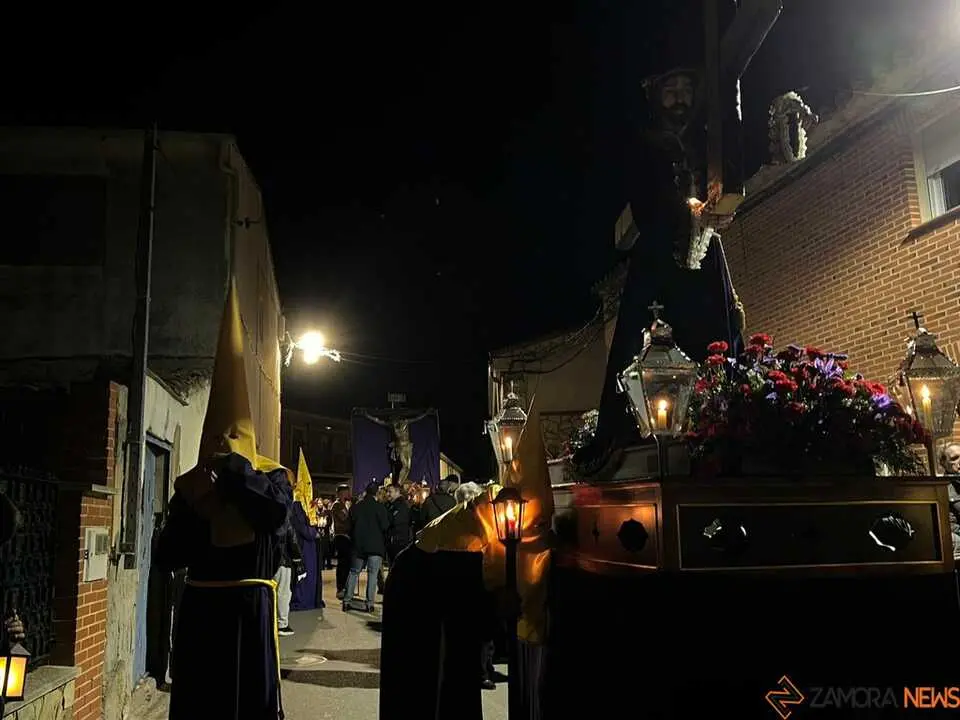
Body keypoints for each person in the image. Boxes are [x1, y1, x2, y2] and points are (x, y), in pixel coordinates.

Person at [155, 453, 292, 720]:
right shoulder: (195, 484)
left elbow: (277, 516)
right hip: (204, 612)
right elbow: (168, 555)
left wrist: (234, 473)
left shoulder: (269, 480)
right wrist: (188, 502)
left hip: (245, 614)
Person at [342, 482, 390, 613]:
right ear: (376, 493)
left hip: (358, 546)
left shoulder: (356, 508)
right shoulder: (380, 508)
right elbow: (385, 526)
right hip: (375, 546)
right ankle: (369, 604)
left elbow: (349, 527)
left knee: (353, 572)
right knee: (373, 574)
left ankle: (347, 601)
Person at [331, 484, 353, 600]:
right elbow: (344, 519)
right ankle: (340, 588)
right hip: (341, 537)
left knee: (347, 563)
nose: (349, 494)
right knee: (343, 564)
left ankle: (345, 586)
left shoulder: (344, 505)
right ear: (341, 493)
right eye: (347, 492)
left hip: (346, 537)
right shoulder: (337, 505)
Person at [385, 484, 413, 562]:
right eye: (387, 492)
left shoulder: (401, 506)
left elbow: (396, 521)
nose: (387, 494)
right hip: (394, 540)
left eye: (390, 492)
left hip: (398, 541)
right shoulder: (391, 505)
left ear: (397, 492)